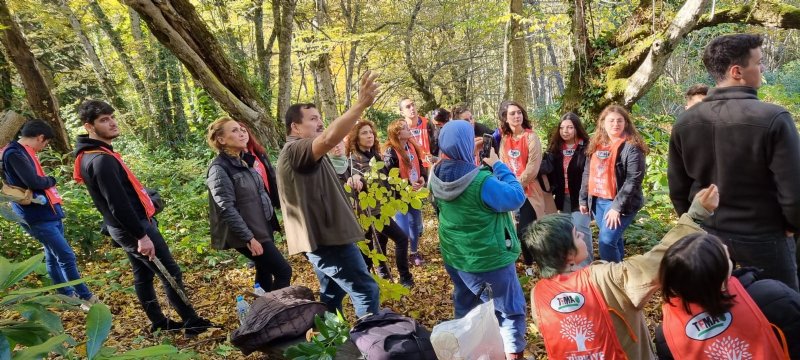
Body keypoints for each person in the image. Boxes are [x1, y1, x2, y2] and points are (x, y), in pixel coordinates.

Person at [668, 33, 800, 291]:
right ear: (737, 71)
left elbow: (679, 190)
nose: (762, 68)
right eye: (758, 62)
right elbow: (794, 191)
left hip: (707, 238)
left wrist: (695, 225)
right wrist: (792, 226)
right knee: (782, 313)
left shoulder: (685, 122)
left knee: (718, 311)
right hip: (764, 235)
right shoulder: (774, 118)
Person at [525, 184, 718, 360]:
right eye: (577, 235)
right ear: (568, 255)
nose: (583, 234)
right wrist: (695, 216)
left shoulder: (538, 294)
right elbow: (657, 261)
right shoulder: (604, 278)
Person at [74, 100, 214, 335]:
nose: (112, 122)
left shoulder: (96, 155)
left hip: (123, 226)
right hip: (133, 227)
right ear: (89, 126)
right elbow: (118, 204)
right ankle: (192, 322)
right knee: (170, 272)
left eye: (111, 117)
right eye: (103, 120)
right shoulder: (100, 160)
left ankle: (159, 322)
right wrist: (141, 236)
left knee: (144, 274)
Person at [276, 72, 380, 317]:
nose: (320, 122)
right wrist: (361, 105)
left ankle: (329, 346)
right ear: (296, 127)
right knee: (366, 290)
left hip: (326, 239)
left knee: (332, 294)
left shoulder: (308, 154)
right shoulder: (296, 149)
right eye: (313, 119)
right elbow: (329, 136)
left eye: (320, 117)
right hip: (328, 241)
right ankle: (373, 347)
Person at [428, 120, 528, 360]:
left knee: (466, 307)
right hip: (489, 260)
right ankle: (514, 354)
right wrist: (498, 165)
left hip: (456, 257)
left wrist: (465, 153)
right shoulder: (481, 182)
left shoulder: (436, 175)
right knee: (509, 312)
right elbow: (516, 197)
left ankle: (468, 352)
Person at [654, 234, 799, 359]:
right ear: (722, 283)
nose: (725, 246)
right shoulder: (773, 294)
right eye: (726, 256)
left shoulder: (666, 335)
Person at [1, 120, 97, 307]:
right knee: (66, 256)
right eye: (45, 143)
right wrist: (51, 180)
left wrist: (45, 182)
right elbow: (35, 182)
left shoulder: (24, 152)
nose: (44, 147)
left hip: (49, 212)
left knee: (53, 257)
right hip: (36, 216)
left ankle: (67, 296)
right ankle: (85, 296)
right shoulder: (14, 153)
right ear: (40, 137)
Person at [205, 117, 292, 292]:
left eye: (241, 129)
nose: (241, 132)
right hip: (248, 233)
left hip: (260, 226)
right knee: (283, 271)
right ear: (221, 140)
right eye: (234, 131)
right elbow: (226, 208)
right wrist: (248, 238)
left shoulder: (244, 160)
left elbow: (258, 195)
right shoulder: (219, 169)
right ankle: (274, 313)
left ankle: (260, 314)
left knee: (264, 269)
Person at [339, 120, 414, 288]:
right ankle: (404, 278)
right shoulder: (353, 162)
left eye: (371, 132)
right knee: (393, 242)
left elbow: (386, 182)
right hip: (367, 214)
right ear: (356, 138)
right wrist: (360, 180)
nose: (369, 136)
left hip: (382, 210)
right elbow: (351, 186)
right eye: (364, 133)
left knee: (380, 245)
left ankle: (384, 277)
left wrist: (402, 190)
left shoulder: (375, 156)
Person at [580, 105, 648, 262]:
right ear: (603, 123)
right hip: (598, 201)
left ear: (626, 123)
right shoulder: (596, 144)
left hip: (621, 203)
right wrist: (583, 199)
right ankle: (620, 273)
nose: (615, 124)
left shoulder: (632, 147)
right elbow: (587, 172)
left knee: (606, 241)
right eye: (611, 121)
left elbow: (634, 180)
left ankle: (613, 278)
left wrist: (617, 208)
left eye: (619, 121)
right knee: (614, 240)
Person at [497, 100, 551, 271]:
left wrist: (516, 184)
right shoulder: (505, 139)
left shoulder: (531, 137)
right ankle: (528, 265)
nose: (516, 116)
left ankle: (542, 263)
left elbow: (533, 167)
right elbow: (502, 163)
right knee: (516, 231)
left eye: (519, 112)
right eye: (512, 113)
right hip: (510, 191)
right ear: (505, 118)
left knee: (527, 230)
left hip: (529, 191)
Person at [545, 112, 593, 266]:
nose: (565, 131)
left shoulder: (586, 147)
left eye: (570, 127)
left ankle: (586, 267)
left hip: (580, 198)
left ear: (577, 128)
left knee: (581, 229)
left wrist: (585, 198)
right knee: (568, 232)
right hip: (562, 197)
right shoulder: (555, 149)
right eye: (562, 128)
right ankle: (572, 266)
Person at [384, 119, 428, 266]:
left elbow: (420, 164)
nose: (409, 129)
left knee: (415, 223)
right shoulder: (391, 152)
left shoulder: (411, 146)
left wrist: (422, 177)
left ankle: (413, 253)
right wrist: (408, 185)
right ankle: (402, 258)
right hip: (400, 196)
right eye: (404, 128)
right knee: (403, 229)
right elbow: (391, 177)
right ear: (397, 133)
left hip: (414, 193)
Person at [399, 97, 437, 166]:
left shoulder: (428, 123)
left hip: (431, 165)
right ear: (402, 113)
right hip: (412, 167)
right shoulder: (400, 129)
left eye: (413, 105)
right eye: (408, 107)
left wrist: (434, 156)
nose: (412, 108)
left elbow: (436, 142)